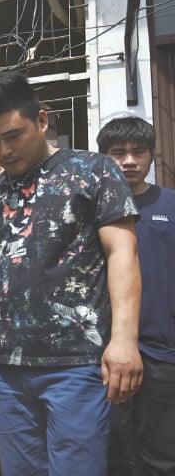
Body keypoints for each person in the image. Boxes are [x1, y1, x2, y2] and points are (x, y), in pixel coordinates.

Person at [0, 72, 143, 475]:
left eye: (13, 135)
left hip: (77, 362)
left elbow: (123, 253)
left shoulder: (92, 170)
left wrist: (124, 340)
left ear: (42, 121)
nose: (3, 150)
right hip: (6, 366)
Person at [98, 116, 175, 476]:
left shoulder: (170, 205)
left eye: (137, 152)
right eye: (118, 153)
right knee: (112, 449)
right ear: (102, 158)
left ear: (152, 156)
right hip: (106, 349)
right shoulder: (92, 210)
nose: (128, 160)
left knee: (161, 452)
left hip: (164, 348)